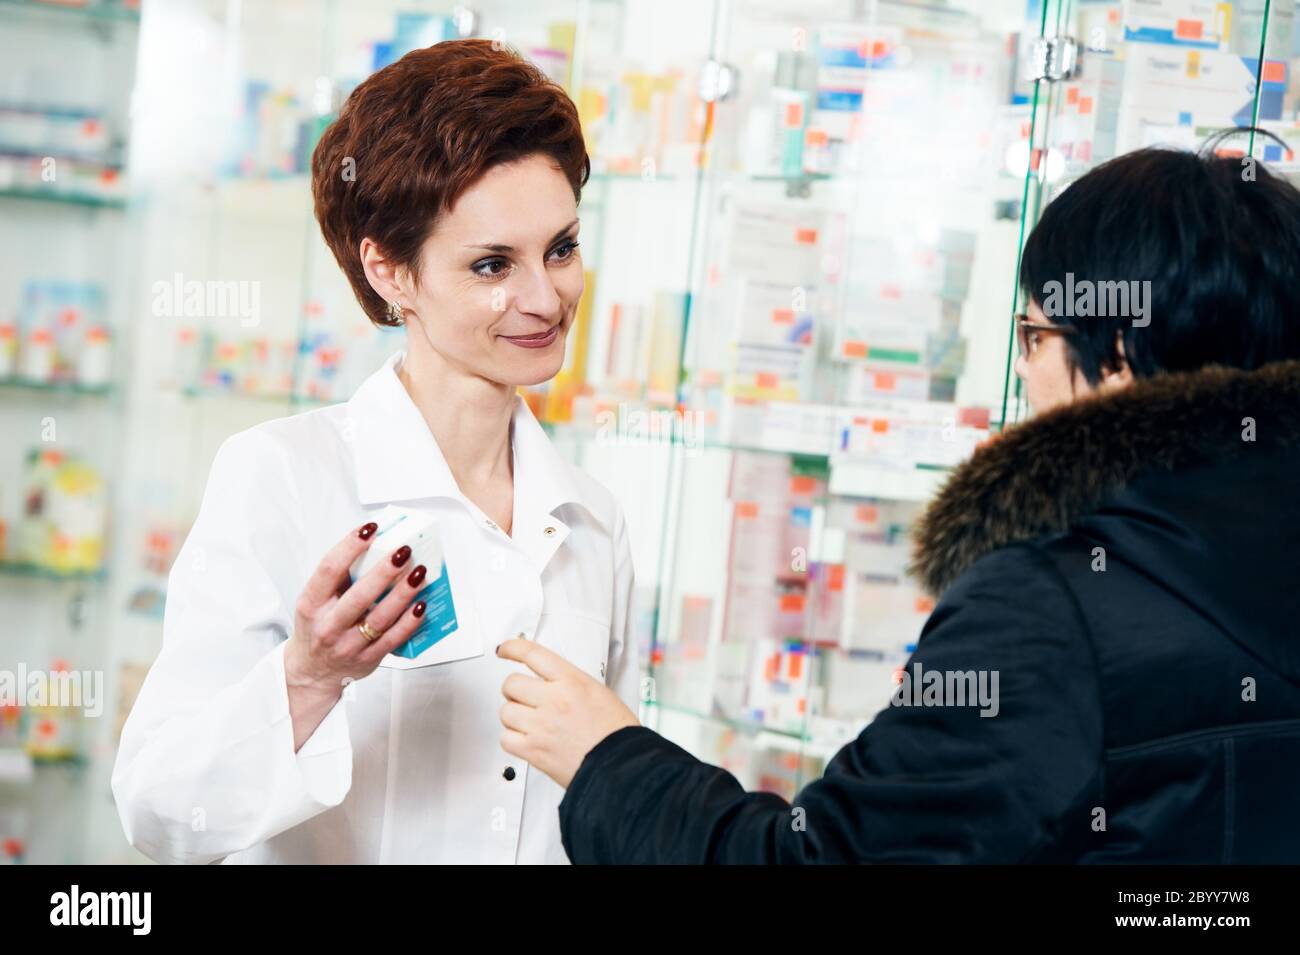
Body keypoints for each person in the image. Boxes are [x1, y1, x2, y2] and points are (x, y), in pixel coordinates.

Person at [496, 141, 1300, 863]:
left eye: (1034, 335)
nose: (1024, 370)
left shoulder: (1055, 609)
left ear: (1116, 355)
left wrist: (607, 757)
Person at [112, 39, 638, 864]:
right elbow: (158, 812)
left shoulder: (591, 522)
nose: (545, 297)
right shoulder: (283, 475)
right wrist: (309, 674)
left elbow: (620, 808)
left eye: (561, 249)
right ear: (389, 269)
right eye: (492, 264)